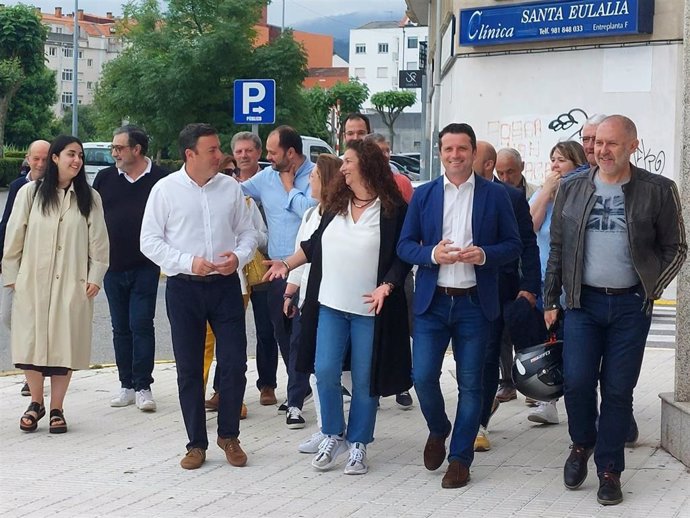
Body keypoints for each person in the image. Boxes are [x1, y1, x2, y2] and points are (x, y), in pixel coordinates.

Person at [544, 115, 686, 505]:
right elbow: (558, 248)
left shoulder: (659, 190)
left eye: (612, 144)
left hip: (629, 305)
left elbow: (677, 247)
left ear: (632, 146)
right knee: (576, 382)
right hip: (583, 304)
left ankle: (610, 470)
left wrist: (651, 288)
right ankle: (581, 443)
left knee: (619, 390)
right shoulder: (572, 187)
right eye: (598, 143)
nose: (602, 150)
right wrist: (550, 299)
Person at [265, 139, 412, 475]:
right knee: (326, 371)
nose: (342, 166)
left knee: (364, 378)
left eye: (348, 161)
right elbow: (313, 245)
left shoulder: (393, 209)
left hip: (370, 309)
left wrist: (386, 286)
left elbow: (402, 257)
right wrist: (286, 265)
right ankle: (333, 434)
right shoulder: (336, 204)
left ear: (366, 165)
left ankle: (359, 443)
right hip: (329, 302)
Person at [397, 123, 521, 489]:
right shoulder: (424, 195)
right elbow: (404, 247)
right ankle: (439, 428)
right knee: (422, 378)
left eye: (462, 149)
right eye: (448, 150)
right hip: (433, 303)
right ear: (440, 153)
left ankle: (460, 458)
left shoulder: (495, 196)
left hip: (474, 305)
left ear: (473, 153)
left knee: (471, 385)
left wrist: (483, 254)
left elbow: (513, 245)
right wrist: (432, 254)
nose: (455, 156)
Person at [140, 123, 258, 470]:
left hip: (225, 287)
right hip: (184, 288)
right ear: (190, 154)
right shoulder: (165, 190)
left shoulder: (230, 189)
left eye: (219, 148)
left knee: (235, 363)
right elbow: (149, 241)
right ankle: (196, 443)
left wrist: (238, 256)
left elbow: (247, 232)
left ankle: (229, 436)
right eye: (212, 150)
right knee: (190, 369)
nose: (221, 155)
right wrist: (187, 261)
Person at [2, 135, 109, 434]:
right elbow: (14, 239)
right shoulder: (30, 194)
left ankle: (57, 407)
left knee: (65, 343)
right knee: (30, 341)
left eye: (80, 156)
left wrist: (94, 278)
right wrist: (13, 278)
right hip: (32, 282)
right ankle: (35, 402)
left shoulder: (90, 198)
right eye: (71, 154)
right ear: (55, 158)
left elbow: (99, 245)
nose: (77, 160)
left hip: (72, 283)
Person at [241, 126, 316, 419]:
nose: (267, 157)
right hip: (275, 269)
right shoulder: (266, 177)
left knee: (301, 333)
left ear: (292, 153)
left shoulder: (315, 175)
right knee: (282, 332)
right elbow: (238, 191)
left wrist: (289, 187)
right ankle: (301, 385)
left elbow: (311, 211)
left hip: (308, 269)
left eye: (273, 152)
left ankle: (296, 395)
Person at [93, 125, 168, 412]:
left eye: (119, 148)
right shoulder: (105, 178)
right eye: (113, 148)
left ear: (136, 149)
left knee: (141, 324)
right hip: (112, 266)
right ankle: (125, 384)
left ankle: (143, 386)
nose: (114, 153)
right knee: (119, 327)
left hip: (146, 266)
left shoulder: (160, 179)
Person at [472, 142, 541, 452]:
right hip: (459, 293)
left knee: (487, 357)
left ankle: (479, 423)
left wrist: (529, 288)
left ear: (485, 163)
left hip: (500, 290)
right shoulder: (445, 195)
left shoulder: (511, 198)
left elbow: (528, 244)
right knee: (470, 360)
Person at [212, 131, 280, 409]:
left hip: (262, 264)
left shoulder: (270, 182)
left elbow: (263, 232)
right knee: (228, 333)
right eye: (238, 152)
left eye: (248, 151)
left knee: (266, 328)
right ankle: (222, 389)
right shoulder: (223, 189)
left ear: (259, 152)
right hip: (233, 269)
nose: (243, 156)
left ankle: (267, 384)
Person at [282, 154, 342, 436]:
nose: (309, 179)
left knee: (332, 369)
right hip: (307, 299)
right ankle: (323, 426)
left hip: (331, 300)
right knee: (310, 362)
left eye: (315, 176)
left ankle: (341, 430)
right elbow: (300, 254)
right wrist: (290, 292)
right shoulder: (309, 215)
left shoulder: (340, 217)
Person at [0, 139, 50, 396]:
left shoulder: (58, 187)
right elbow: (8, 224)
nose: (40, 164)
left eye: (45, 158)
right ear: (28, 159)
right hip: (18, 265)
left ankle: (34, 375)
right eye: (36, 159)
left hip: (45, 267)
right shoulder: (19, 186)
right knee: (9, 315)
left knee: (40, 320)